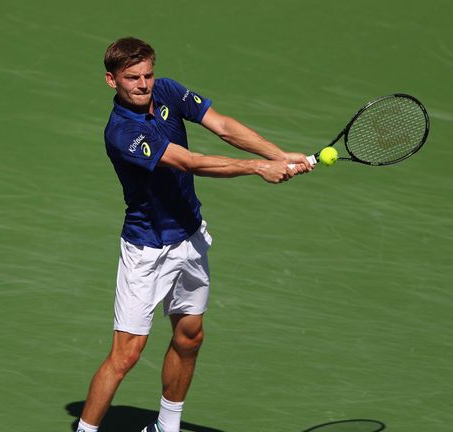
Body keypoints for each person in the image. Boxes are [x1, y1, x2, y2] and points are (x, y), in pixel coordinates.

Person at [76, 37, 313, 432]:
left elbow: (222, 126)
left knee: (189, 337)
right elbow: (188, 162)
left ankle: (166, 427)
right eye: (132, 77)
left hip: (189, 236)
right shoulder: (122, 131)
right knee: (127, 355)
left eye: (148, 75)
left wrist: (277, 154)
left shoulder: (167, 90)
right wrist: (258, 168)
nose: (143, 84)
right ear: (111, 80)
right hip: (147, 249)